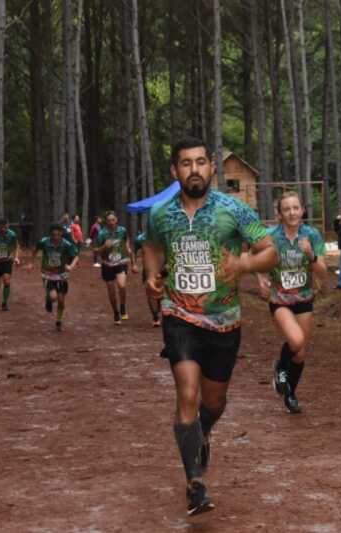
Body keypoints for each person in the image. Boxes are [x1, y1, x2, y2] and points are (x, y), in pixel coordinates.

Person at [142, 137, 278, 516]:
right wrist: (152, 275)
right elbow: (151, 246)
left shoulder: (234, 210)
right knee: (187, 392)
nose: (194, 170)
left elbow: (270, 250)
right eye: (186, 164)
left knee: (214, 402)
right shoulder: (161, 214)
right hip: (179, 316)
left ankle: (202, 432)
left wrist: (244, 266)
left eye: (201, 162)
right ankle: (195, 483)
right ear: (175, 171)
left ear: (212, 167)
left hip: (223, 321)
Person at [262, 191, 328, 414]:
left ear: (302, 210)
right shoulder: (270, 236)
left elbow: (323, 273)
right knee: (296, 340)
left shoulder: (312, 235)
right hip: (279, 300)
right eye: (286, 209)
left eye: (295, 208)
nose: (292, 213)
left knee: (299, 352)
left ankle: (290, 393)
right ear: (279, 214)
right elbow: (250, 254)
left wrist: (311, 255)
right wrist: (259, 277)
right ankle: (281, 367)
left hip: (304, 298)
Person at [28, 223, 79, 331]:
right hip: (48, 274)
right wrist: (31, 263)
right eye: (53, 235)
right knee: (53, 297)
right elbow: (35, 249)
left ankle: (58, 321)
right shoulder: (44, 242)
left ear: (61, 234)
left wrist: (71, 266)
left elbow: (76, 256)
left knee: (61, 301)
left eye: (58, 235)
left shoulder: (66, 244)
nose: (55, 237)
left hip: (62, 274)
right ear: (50, 234)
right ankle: (49, 299)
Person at [94, 211, 137, 324]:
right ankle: (116, 312)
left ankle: (122, 306)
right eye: (109, 220)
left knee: (122, 285)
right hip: (107, 264)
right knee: (111, 291)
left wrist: (127, 247)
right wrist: (104, 246)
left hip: (121, 262)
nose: (111, 222)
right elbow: (96, 251)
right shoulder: (102, 234)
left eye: (113, 220)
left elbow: (126, 239)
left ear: (116, 220)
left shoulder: (122, 230)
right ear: (106, 222)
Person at [133, 230, 161, 327]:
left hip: (165, 267)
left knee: (164, 293)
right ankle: (155, 316)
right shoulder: (141, 239)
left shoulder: (166, 233)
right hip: (149, 269)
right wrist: (134, 264)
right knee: (150, 292)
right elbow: (134, 251)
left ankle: (160, 311)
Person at [0, 218, 20, 311]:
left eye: (5, 227)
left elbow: (16, 246)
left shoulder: (12, 234)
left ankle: (4, 303)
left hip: (7, 261)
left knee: (7, 281)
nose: (4, 229)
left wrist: (16, 257)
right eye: (2, 227)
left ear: (8, 226)